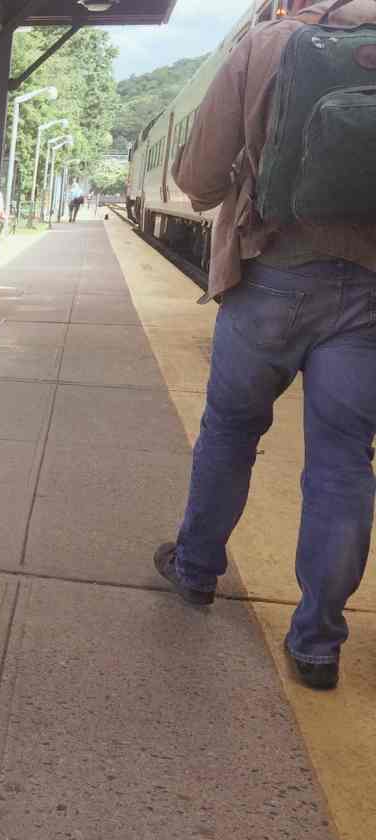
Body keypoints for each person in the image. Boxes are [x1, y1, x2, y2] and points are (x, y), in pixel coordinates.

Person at [159, 0, 376, 689]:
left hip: (269, 274)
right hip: (369, 293)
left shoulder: (268, 43)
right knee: (343, 464)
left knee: (229, 430)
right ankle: (316, 642)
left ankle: (195, 570)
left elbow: (196, 178)